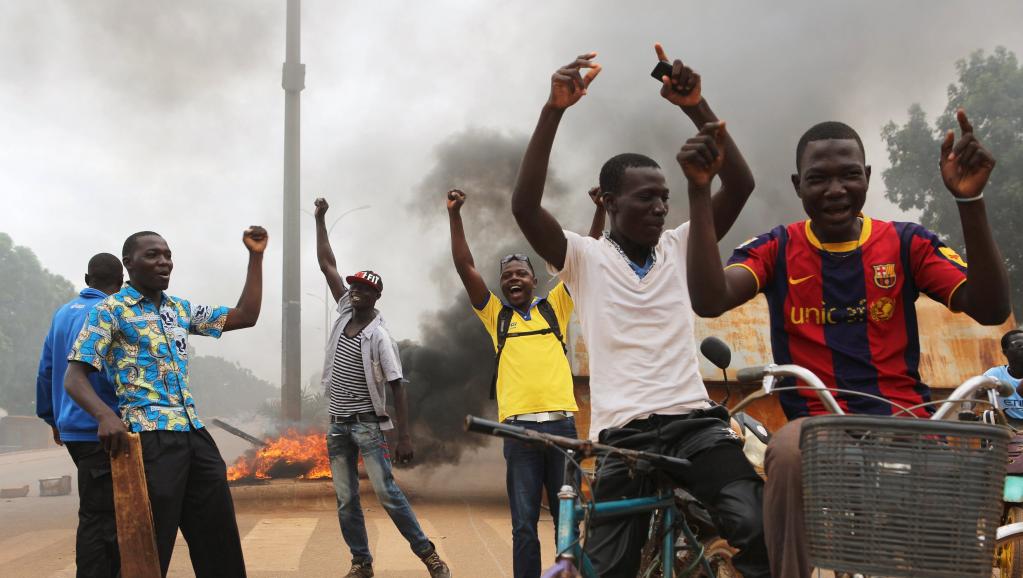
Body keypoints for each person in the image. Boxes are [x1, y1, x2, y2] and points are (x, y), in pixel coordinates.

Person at [683, 110, 1010, 577]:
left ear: (868, 178)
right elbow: (709, 298)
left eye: (849, 176)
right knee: (786, 454)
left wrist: (971, 199)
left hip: (908, 422)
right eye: (818, 179)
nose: (835, 190)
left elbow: (991, 308)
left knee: (949, 489)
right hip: (819, 430)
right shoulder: (775, 248)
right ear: (798, 185)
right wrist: (699, 192)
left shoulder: (907, 244)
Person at [511, 45, 769, 577]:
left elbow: (739, 183)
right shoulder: (583, 258)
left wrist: (696, 106)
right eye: (645, 198)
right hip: (622, 436)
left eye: (664, 200)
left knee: (757, 523)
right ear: (608, 201)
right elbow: (524, 207)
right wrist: (552, 110)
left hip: (694, 426)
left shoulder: (682, 245)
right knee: (609, 569)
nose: (659, 208)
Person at [64, 227, 268, 578]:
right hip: (148, 438)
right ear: (129, 263)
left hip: (193, 433)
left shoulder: (179, 310)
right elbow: (74, 377)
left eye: (167, 255)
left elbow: (245, 315)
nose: (164, 262)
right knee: (148, 549)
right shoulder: (110, 311)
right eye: (153, 255)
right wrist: (103, 416)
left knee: (219, 540)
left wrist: (255, 256)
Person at [446, 187, 602, 578]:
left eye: (520, 273)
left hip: (563, 427)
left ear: (534, 279)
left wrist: (600, 211)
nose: (513, 279)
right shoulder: (496, 316)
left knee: (568, 521)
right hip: (519, 433)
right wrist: (455, 215)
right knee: (523, 525)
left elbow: (586, 258)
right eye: (507, 276)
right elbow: (465, 266)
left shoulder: (556, 307)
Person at [314, 198, 450, 578]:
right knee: (346, 501)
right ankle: (361, 563)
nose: (355, 291)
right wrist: (320, 220)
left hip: (369, 427)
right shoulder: (343, 311)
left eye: (363, 289)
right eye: (354, 286)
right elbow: (327, 265)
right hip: (338, 424)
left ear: (376, 297)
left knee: (388, 494)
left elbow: (397, 387)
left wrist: (403, 437)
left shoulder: (380, 337)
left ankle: (430, 557)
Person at [36, 252, 124, 578]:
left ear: (87, 280)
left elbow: (46, 371)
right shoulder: (109, 312)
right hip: (101, 429)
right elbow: (109, 375)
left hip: (73, 429)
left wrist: (52, 418)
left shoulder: (62, 315)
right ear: (121, 284)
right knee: (103, 517)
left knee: (98, 511)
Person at [986, 329, 1023, 429]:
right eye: (1019, 345)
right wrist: (966, 409)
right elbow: (974, 392)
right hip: (1007, 427)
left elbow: (1020, 390)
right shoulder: (994, 374)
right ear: (1005, 352)